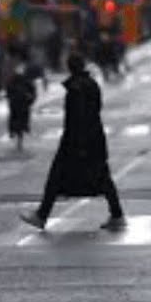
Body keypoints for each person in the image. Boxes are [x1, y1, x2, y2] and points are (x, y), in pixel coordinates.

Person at [20, 54, 126, 231]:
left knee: (57, 177)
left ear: (70, 68)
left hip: (77, 141)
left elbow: (78, 118)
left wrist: (79, 145)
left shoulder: (76, 89)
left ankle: (41, 215)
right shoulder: (91, 84)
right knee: (102, 178)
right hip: (94, 138)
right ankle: (117, 214)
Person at [6, 60, 37, 150]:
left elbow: (33, 91)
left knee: (22, 116)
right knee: (14, 116)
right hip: (16, 103)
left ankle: (23, 128)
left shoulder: (26, 80)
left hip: (23, 103)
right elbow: (9, 90)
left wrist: (31, 99)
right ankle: (13, 130)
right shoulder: (12, 80)